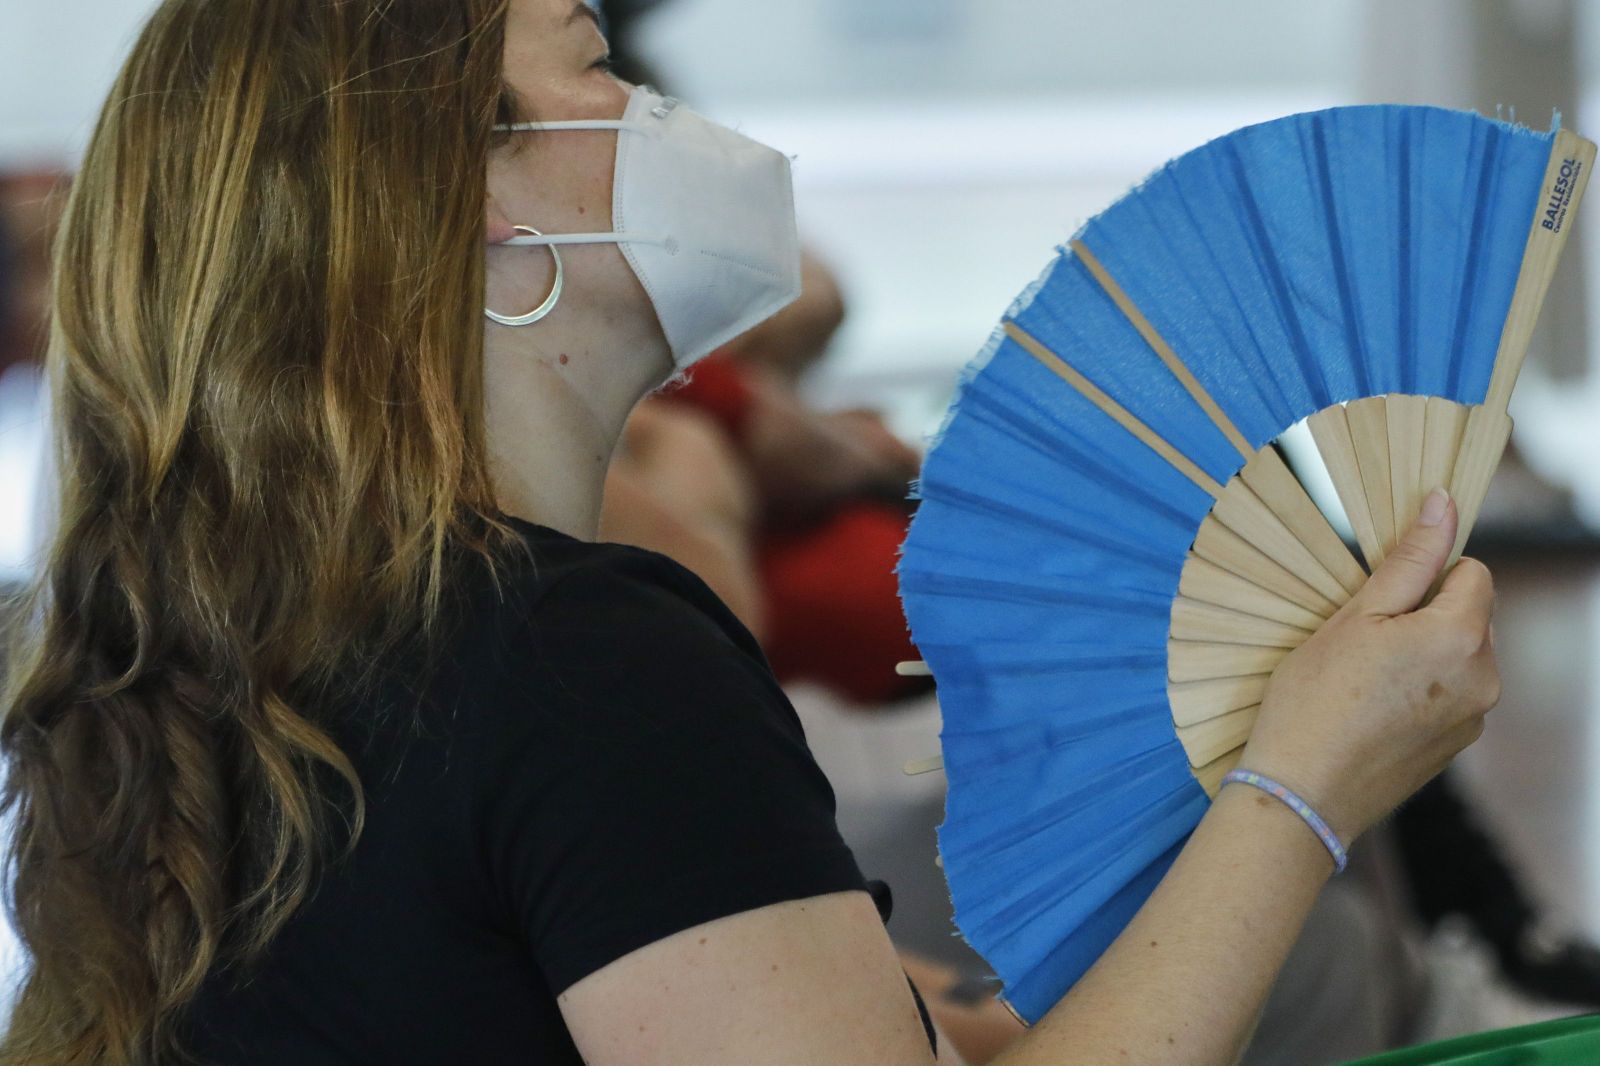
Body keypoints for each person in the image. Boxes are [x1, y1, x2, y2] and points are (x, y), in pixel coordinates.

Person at [0, 2, 1500, 1065]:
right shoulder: (581, 663)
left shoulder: (234, 654)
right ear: (481, 223)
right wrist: (1306, 780)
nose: (675, 118)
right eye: (601, 65)